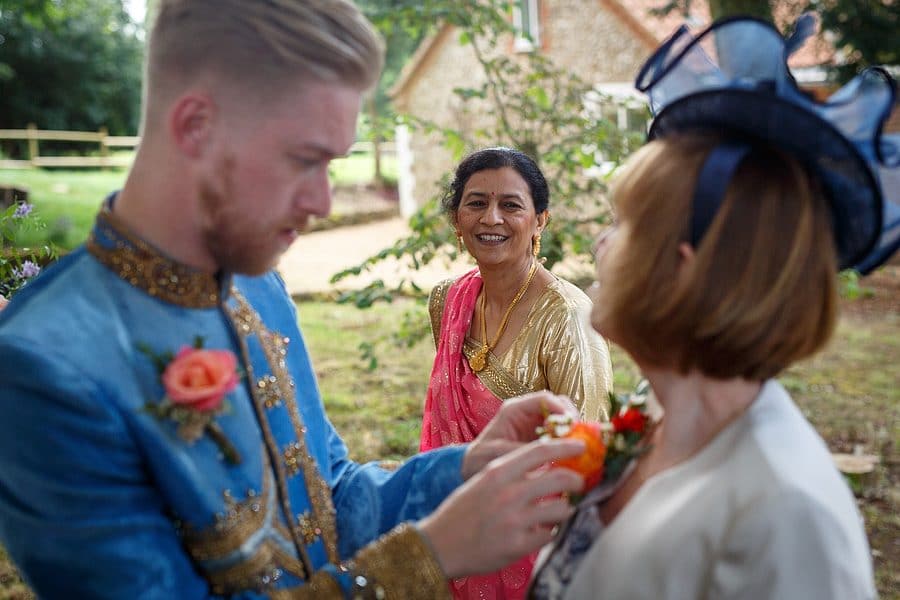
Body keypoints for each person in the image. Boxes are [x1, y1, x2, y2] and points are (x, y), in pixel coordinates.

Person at [0, 1, 590, 598]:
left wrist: (467, 465)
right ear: (196, 125)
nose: (324, 202)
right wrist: (426, 558)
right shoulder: (44, 363)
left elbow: (328, 498)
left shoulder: (258, 284)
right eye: (305, 159)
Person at [529, 15, 898, 599]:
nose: (600, 243)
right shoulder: (656, 414)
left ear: (684, 267)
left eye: (624, 225)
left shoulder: (788, 513)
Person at [421, 147, 614, 599]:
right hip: (456, 514)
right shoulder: (448, 301)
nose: (491, 219)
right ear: (456, 219)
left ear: (539, 221)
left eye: (510, 205)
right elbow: (450, 418)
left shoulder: (567, 317)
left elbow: (586, 449)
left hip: (532, 536)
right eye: (476, 203)